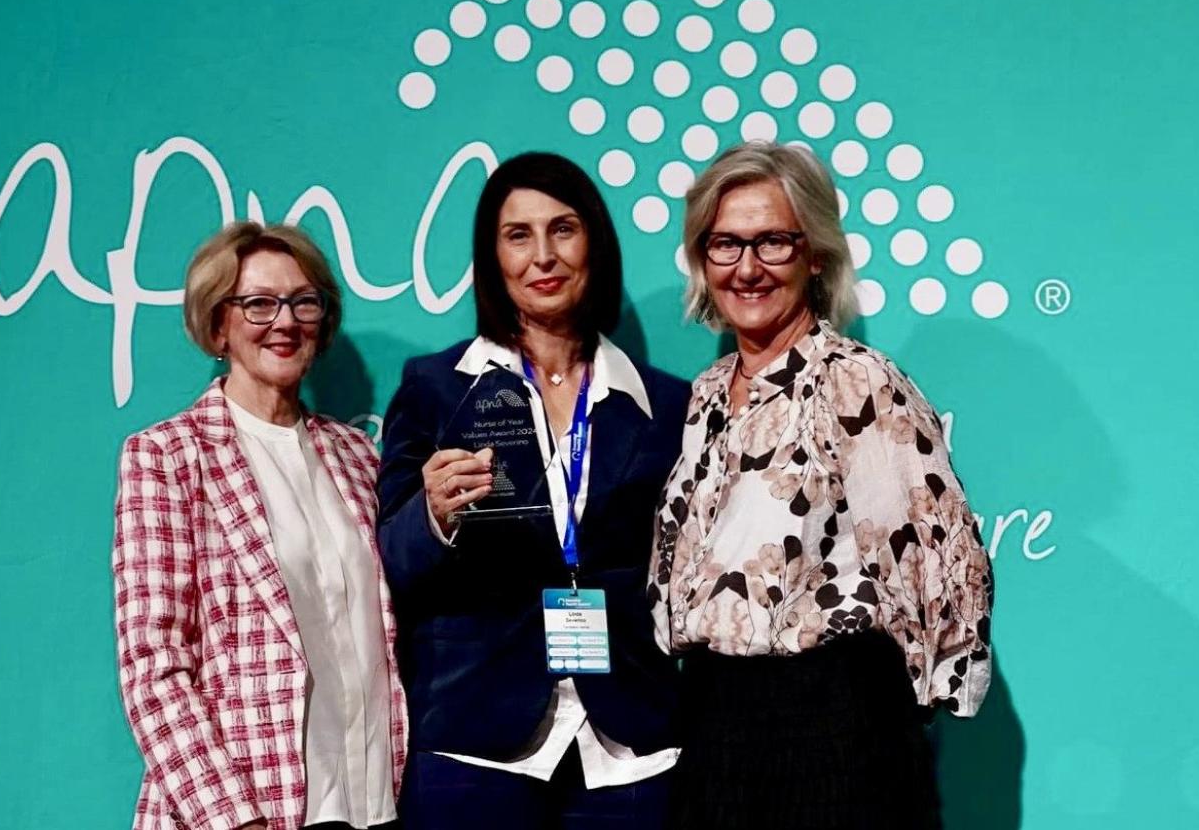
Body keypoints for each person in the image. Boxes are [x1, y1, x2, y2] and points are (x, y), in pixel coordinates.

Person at [649, 141, 994, 829]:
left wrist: (891, 714)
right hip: (716, 728)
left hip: (837, 733)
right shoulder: (705, 398)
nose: (747, 268)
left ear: (814, 255)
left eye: (772, 242)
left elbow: (944, 561)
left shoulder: (857, 383)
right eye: (725, 245)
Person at [377, 152, 688, 829]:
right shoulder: (435, 388)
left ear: (594, 245)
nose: (542, 256)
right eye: (518, 235)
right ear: (492, 256)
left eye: (563, 229)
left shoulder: (666, 404)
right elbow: (393, 561)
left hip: (628, 740)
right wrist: (431, 515)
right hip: (477, 736)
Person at [112, 222, 405, 830]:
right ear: (218, 325)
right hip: (250, 811)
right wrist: (232, 821)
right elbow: (153, 669)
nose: (286, 320)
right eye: (259, 303)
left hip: (373, 799)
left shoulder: (358, 456)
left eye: (304, 301)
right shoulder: (167, 456)